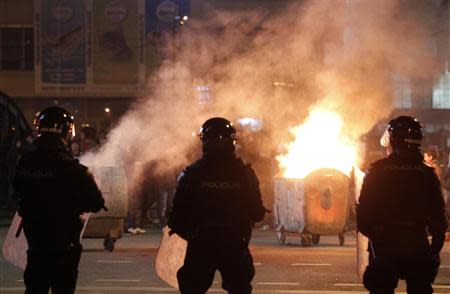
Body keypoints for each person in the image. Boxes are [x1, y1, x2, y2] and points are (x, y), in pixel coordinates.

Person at [168, 117, 267, 294]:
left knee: (192, 288)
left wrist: (189, 233)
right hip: (234, 244)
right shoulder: (245, 174)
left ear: (204, 141)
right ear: (233, 141)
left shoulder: (192, 174)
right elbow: (257, 212)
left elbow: (176, 216)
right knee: (240, 288)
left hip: (201, 244)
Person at [14, 106, 106, 294]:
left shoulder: (24, 163)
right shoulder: (75, 169)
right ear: (66, 131)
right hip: (64, 247)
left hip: (36, 245)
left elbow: (16, 192)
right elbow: (96, 203)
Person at [357, 116, 448, 294]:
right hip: (416, 244)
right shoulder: (426, 174)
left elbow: (364, 215)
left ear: (393, 140)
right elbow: (439, 219)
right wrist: (433, 252)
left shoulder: (377, 171)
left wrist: (376, 235)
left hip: (385, 245)